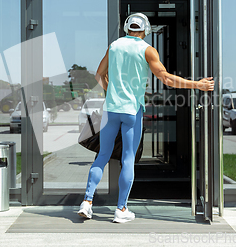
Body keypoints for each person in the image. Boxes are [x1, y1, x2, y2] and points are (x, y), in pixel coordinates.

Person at [78, 13, 215, 223]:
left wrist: (110, 91)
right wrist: (198, 85)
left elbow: (99, 74)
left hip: (111, 109)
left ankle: (87, 203)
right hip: (132, 111)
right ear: (146, 29)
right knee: (128, 158)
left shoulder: (114, 46)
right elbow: (166, 78)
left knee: (102, 155)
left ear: (126, 27)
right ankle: (121, 209)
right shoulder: (147, 50)